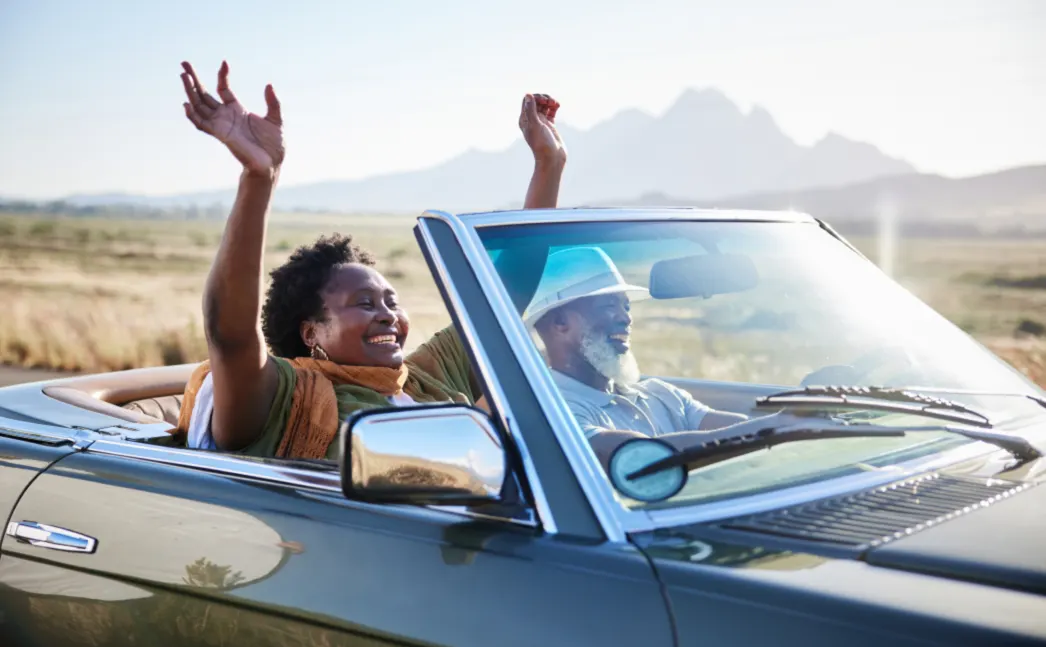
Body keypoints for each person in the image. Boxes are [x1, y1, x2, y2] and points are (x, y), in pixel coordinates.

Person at [173, 60, 567, 460]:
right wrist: (259, 177)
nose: (387, 315)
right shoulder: (289, 400)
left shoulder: (424, 377)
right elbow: (231, 336)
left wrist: (548, 163)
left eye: (391, 302)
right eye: (365, 303)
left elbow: (506, 295)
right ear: (310, 333)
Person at [524, 246, 781, 470]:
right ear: (560, 322)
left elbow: (733, 427)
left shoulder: (661, 394)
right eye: (609, 306)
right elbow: (642, 455)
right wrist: (777, 426)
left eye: (626, 306)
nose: (626, 318)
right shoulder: (552, 411)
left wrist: (784, 427)